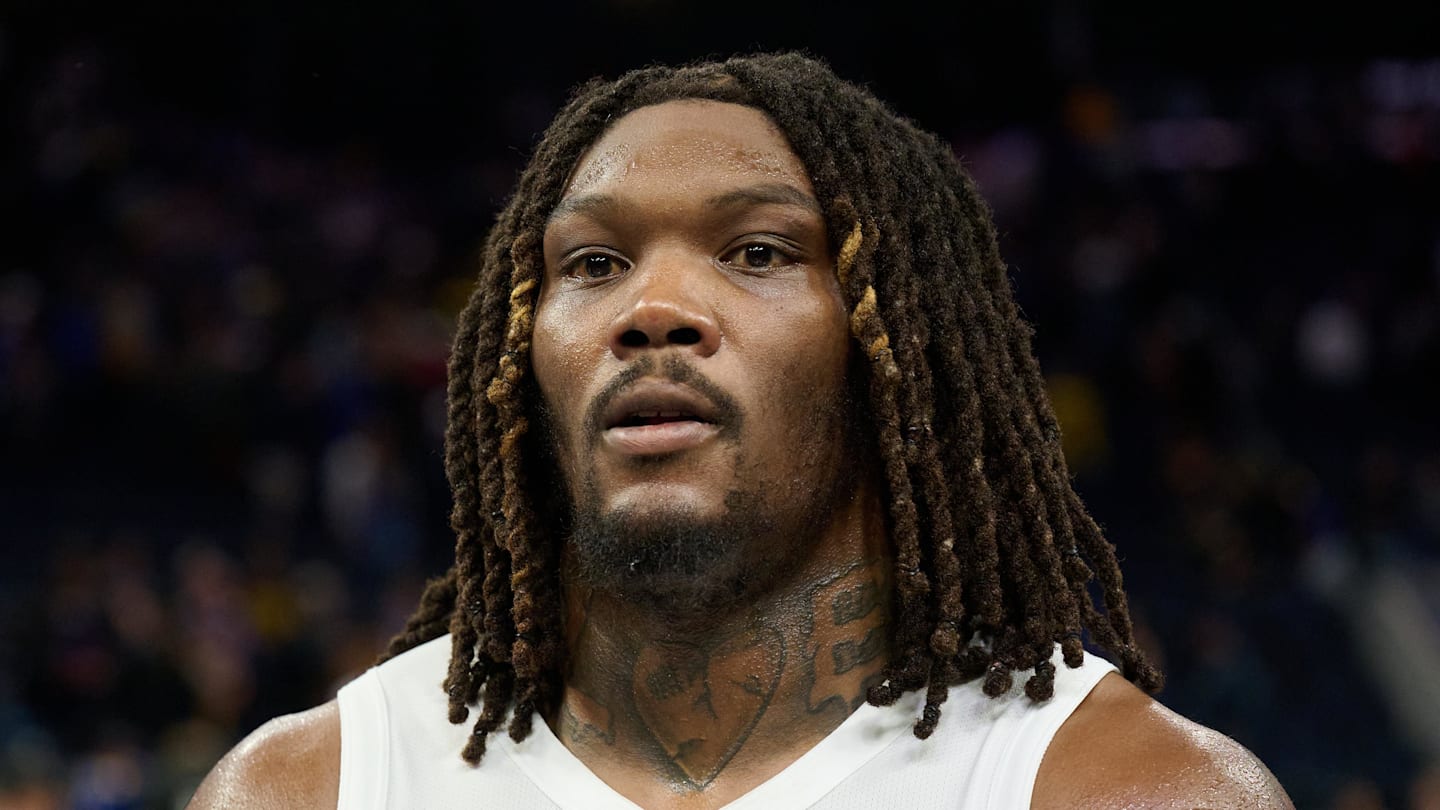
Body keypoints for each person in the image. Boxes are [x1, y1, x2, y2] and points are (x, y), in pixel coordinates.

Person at [190, 52, 1293, 809]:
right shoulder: (308, 790)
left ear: (892, 346)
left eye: (759, 251)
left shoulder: (1124, 789)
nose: (650, 309)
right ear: (521, 361)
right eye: (592, 264)